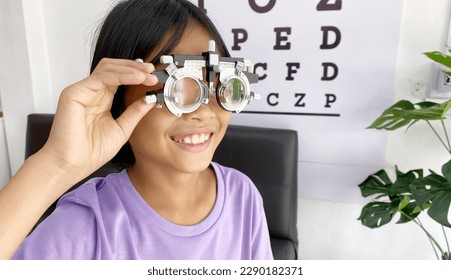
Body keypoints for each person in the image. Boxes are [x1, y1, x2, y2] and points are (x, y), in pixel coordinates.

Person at [0, 0, 272, 260]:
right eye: (176, 87)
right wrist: (57, 164)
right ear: (117, 97)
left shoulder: (242, 195)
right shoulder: (89, 223)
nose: (203, 111)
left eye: (219, 83)